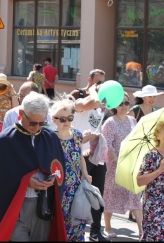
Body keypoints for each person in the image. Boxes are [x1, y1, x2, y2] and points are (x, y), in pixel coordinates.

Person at [0, 92, 67, 241]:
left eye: (42, 123)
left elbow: (59, 170)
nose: (37, 127)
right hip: (15, 209)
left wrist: (52, 180)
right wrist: (25, 181)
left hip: (44, 207)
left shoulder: (50, 138)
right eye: (33, 123)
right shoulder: (4, 141)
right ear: (21, 114)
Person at [70, 69, 110, 242]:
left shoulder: (103, 104)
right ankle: (72, 230)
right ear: (90, 81)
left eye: (103, 83)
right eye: (98, 83)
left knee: (97, 193)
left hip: (95, 156)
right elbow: (92, 101)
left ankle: (95, 231)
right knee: (76, 194)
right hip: (79, 155)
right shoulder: (79, 99)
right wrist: (93, 89)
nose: (101, 87)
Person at [101, 92, 143, 238]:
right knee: (111, 196)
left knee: (134, 197)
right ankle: (107, 226)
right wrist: (119, 160)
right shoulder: (110, 122)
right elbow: (107, 145)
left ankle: (142, 231)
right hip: (115, 166)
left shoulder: (132, 120)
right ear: (115, 106)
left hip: (131, 166)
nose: (124, 106)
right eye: (120, 104)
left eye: (126, 103)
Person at [50, 98, 92, 241]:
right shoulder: (51, 138)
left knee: (78, 221)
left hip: (75, 185)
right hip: (59, 187)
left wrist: (85, 174)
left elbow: (80, 157)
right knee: (61, 221)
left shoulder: (78, 135)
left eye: (69, 118)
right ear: (54, 119)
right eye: (62, 119)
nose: (66, 121)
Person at [137, 120, 164, 241]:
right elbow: (139, 181)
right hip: (154, 203)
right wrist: (159, 170)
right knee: (154, 236)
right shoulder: (152, 155)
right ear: (157, 135)